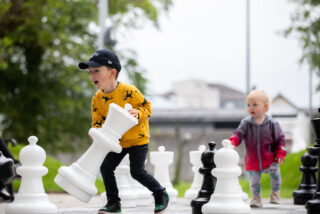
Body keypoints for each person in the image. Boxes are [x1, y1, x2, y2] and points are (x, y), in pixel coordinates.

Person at [79, 49, 169, 214]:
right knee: (106, 167)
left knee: (137, 172)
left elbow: (146, 106)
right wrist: (95, 132)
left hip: (137, 139)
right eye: (90, 72)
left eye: (97, 71)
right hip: (117, 141)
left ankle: (160, 193)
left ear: (112, 72)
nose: (92, 76)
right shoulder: (97, 99)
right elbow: (97, 120)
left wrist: (138, 113)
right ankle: (114, 203)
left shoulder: (129, 91)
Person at [229, 89, 286, 208]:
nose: (251, 108)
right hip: (253, 159)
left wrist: (280, 154)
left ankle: (275, 193)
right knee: (254, 181)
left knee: (275, 174)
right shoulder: (245, 123)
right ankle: (256, 198)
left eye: (255, 105)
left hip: (270, 158)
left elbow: (280, 139)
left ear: (265, 107)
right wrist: (233, 142)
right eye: (248, 105)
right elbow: (238, 134)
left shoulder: (272, 124)